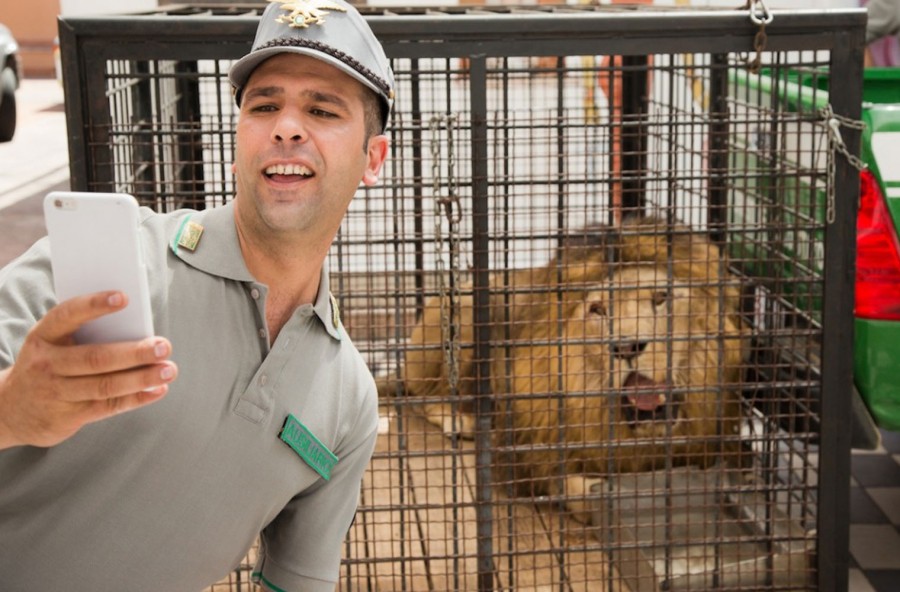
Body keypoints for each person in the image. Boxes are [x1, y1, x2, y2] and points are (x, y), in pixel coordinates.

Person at [0, 1, 392, 590]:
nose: (286, 126)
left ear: (373, 158)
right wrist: (11, 410)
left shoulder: (349, 399)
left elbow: (298, 580)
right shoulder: (103, 272)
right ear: (239, 138)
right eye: (265, 105)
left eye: (322, 108)